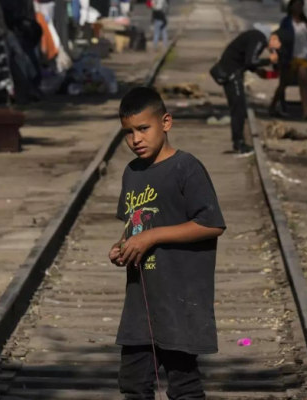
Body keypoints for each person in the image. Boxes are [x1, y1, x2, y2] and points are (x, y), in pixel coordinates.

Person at [110, 87, 226, 400]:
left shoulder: (185, 168)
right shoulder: (132, 172)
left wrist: (152, 236)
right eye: (128, 132)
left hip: (180, 299)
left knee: (183, 386)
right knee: (133, 382)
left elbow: (211, 223)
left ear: (166, 123)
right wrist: (123, 245)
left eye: (143, 129)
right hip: (140, 301)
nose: (136, 139)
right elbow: (134, 222)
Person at [210, 28, 289, 154]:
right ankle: (239, 143)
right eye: (277, 47)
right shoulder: (260, 38)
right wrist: (269, 60)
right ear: (274, 38)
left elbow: (247, 59)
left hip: (232, 72)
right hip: (231, 74)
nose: (274, 50)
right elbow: (251, 61)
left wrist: (258, 71)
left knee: (239, 107)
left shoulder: (256, 36)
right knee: (238, 108)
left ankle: (239, 141)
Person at [273, 0, 307, 120]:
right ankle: (273, 106)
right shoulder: (286, 22)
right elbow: (279, 37)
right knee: (284, 84)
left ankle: (305, 111)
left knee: (303, 81)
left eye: (300, 5)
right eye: (296, 5)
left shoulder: (305, 22)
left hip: (303, 57)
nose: (298, 7)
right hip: (290, 58)